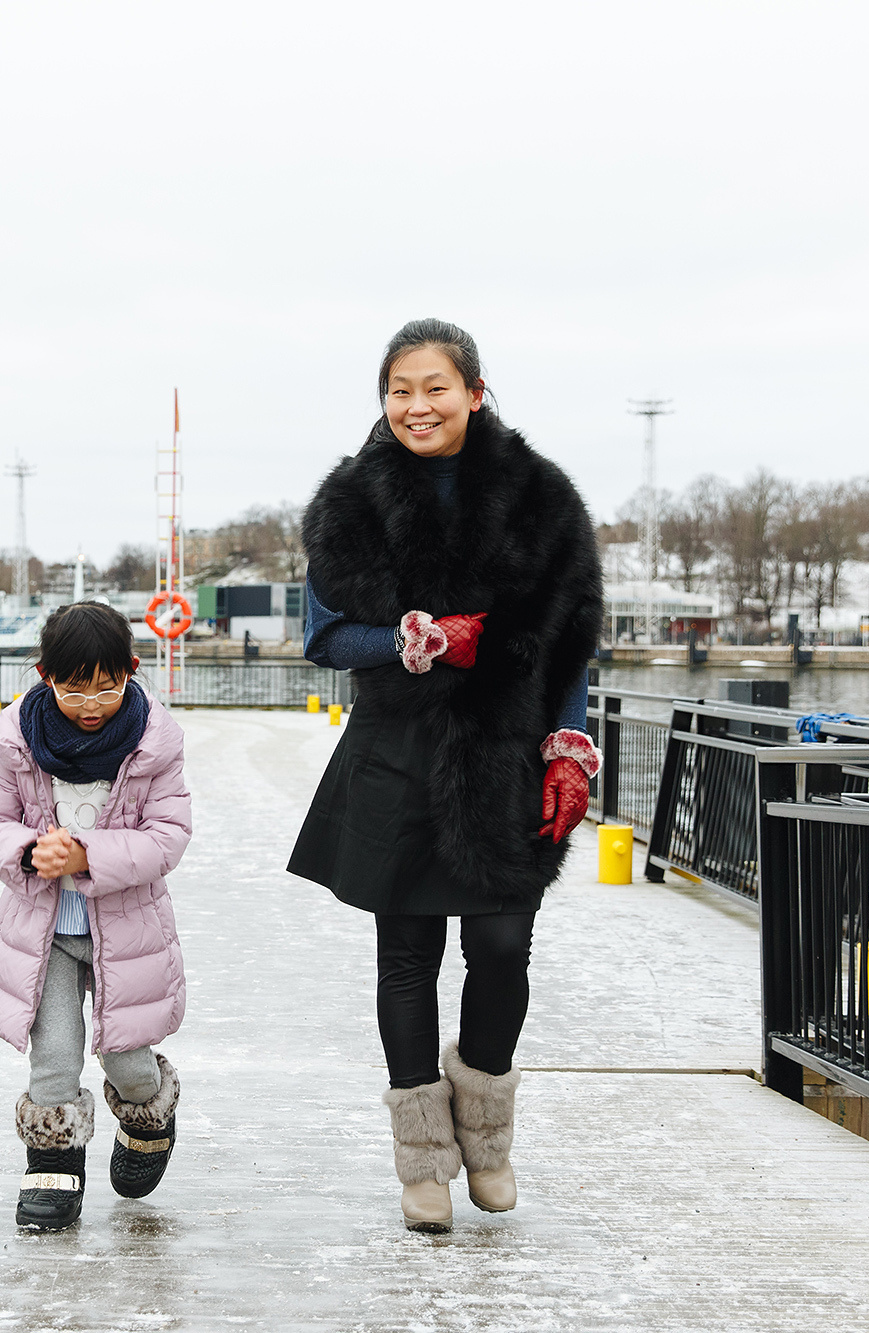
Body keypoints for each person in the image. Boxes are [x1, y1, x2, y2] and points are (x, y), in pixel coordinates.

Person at [287, 319, 602, 1233]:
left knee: (502, 949)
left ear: (475, 391)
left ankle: (488, 1134)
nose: (416, 406)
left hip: (507, 750)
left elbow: (570, 640)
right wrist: (411, 640)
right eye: (399, 390)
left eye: (434, 387)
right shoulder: (350, 503)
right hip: (400, 755)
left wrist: (570, 745)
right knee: (408, 959)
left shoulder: (540, 499)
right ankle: (423, 1161)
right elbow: (325, 636)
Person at [0, 602, 192, 1230]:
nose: (91, 703)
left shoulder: (154, 746)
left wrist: (89, 853)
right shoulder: (15, 742)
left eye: (107, 685)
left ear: (132, 671)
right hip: (44, 935)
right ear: (44, 677)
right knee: (55, 1059)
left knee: (127, 1058)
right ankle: (52, 1168)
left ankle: (150, 1121)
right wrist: (27, 851)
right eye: (74, 688)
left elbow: (168, 836)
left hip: (126, 931)